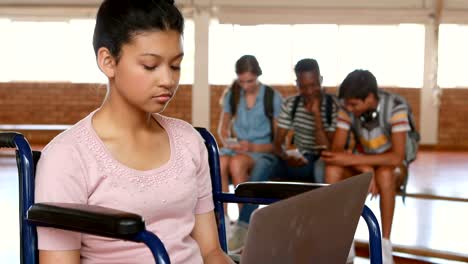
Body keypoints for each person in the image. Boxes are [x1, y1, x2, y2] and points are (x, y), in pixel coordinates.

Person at [34, 1, 233, 263]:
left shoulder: (189, 141)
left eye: (175, 65)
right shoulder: (67, 157)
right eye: (150, 66)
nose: (168, 80)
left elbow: (211, 252)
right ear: (108, 61)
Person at [227, 58, 338, 253]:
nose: (309, 91)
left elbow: (330, 149)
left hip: (320, 160)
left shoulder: (331, 106)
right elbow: (277, 144)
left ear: (320, 80)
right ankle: (244, 227)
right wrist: (287, 156)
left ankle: (326, 231)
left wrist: (317, 117)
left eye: (314, 85)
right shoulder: (292, 104)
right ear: (297, 84)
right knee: (265, 162)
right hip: (296, 160)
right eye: (303, 87)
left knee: (323, 167)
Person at [322, 69, 412, 264]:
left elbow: (397, 157)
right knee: (332, 169)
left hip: (390, 166)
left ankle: (384, 244)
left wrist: (357, 162)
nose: (349, 108)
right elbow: (336, 151)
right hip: (364, 162)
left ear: (370, 98)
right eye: (347, 104)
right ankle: (344, 240)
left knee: (385, 174)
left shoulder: (396, 107)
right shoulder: (347, 107)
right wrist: (365, 168)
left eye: (354, 104)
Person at [217, 55, 283, 235]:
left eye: (250, 81)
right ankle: (222, 219)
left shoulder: (272, 97)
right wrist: (231, 143)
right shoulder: (233, 94)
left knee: (237, 163)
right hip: (237, 149)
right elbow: (222, 129)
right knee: (220, 162)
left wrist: (251, 147)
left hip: (261, 150)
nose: (246, 85)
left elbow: (278, 142)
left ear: (258, 75)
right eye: (242, 81)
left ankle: (243, 222)